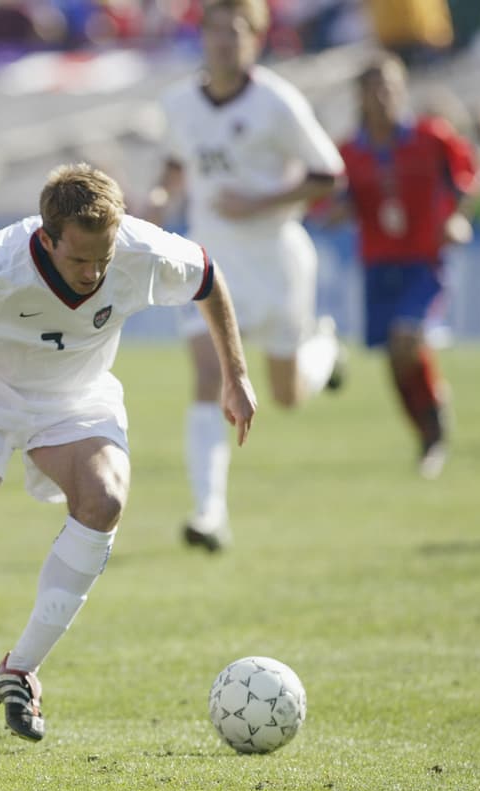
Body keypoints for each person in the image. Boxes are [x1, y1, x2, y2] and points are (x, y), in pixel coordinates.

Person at [0, 163, 256, 755]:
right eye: (79, 261)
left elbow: (206, 276)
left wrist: (236, 375)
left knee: (105, 500)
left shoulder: (138, 248)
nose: (94, 273)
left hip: (76, 400)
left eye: (104, 258)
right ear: (46, 239)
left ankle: (20, 669)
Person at [149, 0, 344, 552]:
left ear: (256, 39)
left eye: (235, 33)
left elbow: (329, 174)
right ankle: (209, 514)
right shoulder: (179, 102)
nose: (223, 43)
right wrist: (159, 200)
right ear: (202, 38)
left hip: (275, 262)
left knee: (285, 394)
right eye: (214, 31)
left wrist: (261, 201)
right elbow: (174, 164)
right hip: (210, 262)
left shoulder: (278, 102)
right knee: (208, 379)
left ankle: (323, 349)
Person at [332, 54, 480, 478]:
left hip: (424, 259)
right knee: (396, 358)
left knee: (407, 337)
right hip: (378, 263)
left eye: (391, 87)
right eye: (374, 88)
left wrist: (457, 215)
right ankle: (427, 430)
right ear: (360, 96)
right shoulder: (349, 151)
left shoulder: (431, 136)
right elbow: (336, 201)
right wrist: (331, 211)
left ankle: (433, 423)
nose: (383, 96)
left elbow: (470, 174)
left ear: (402, 91)